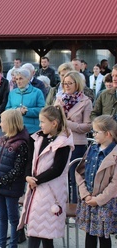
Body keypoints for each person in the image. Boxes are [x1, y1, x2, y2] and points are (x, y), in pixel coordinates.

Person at [18, 105, 74, 248]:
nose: (39, 125)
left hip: (51, 191)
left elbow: (57, 169)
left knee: (43, 231)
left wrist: (36, 180)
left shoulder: (63, 143)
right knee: (37, 229)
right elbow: (30, 160)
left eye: (42, 122)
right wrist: (28, 176)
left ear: (54, 123)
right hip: (36, 187)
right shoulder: (37, 138)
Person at [0, 109, 29, 248]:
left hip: (11, 188)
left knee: (13, 218)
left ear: (10, 123)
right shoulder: (1, 139)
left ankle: (13, 245)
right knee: (2, 217)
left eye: (2, 121)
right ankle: (1, 244)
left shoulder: (21, 143)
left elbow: (18, 170)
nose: (0, 123)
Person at [75, 115, 117, 248]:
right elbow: (79, 172)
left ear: (108, 134)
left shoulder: (114, 154)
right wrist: (85, 194)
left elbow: (114, 184)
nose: (93, 134)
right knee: (89, 235)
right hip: (88, 199)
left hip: (105, 203)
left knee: (103, 237)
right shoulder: (92, 148)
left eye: (96, 132)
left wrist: (98, 199)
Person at [54, 71, 92, 203]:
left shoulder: (86, 101)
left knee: (74, 179)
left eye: (70, 83)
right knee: (60, 177)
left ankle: (75, 208)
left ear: (77, 84)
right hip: (60, 141)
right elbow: (53, 119)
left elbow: (88, 126)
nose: (67, 86)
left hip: (77, 143)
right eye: (65, 83)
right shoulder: (59, 99)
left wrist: (67, 123)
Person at [6, 68, 45, 134]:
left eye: (21, 78)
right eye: (17, 79)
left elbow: (42, 110)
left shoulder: (37, 92)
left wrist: (27, 111)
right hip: (15, 129)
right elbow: (7, 109)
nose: (18, 81)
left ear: (28, 79)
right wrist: (16, 110)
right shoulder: (12, 93)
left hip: (33, 129)